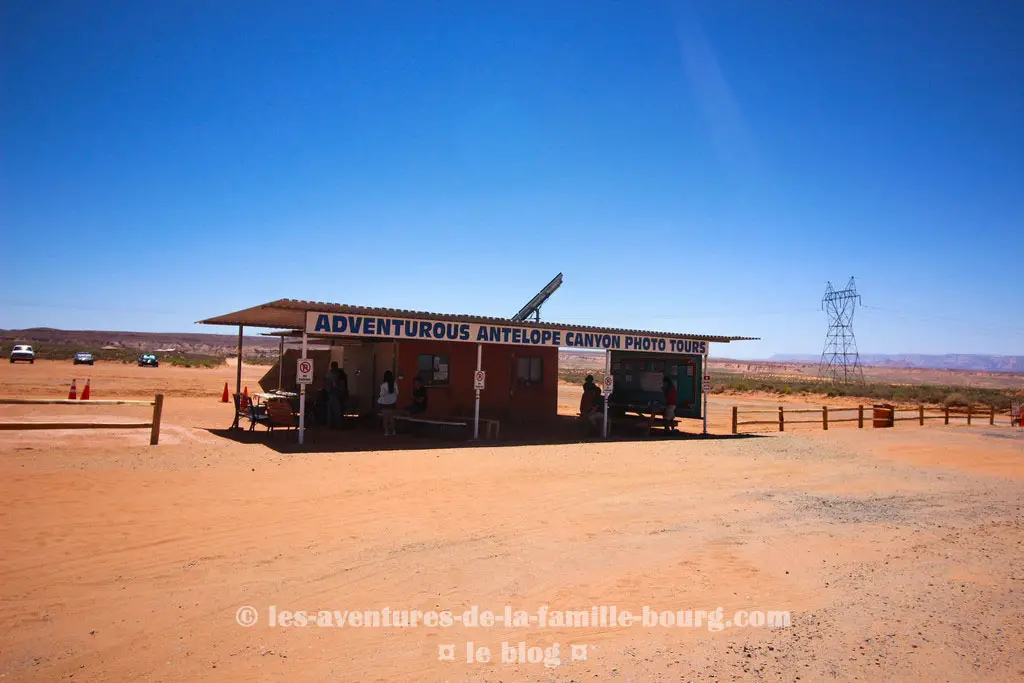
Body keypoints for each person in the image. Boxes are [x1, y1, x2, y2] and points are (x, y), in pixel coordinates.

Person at [324, 361, 346, 429]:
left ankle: (332, 424)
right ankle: (338, 425)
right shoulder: (338, 374)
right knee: (337, 410)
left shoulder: (329, 374)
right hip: (335, 393)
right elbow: (339, 385)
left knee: (332, 410)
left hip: (331, 393)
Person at [378, 370, 399, 435]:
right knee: (391, 417)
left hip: (384, 404)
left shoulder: (383, 385)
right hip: (392, 403)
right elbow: (397, 392)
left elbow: (381, 394)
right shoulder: (394, 384)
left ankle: (386, 431)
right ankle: (393, 431)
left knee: (385, 418)